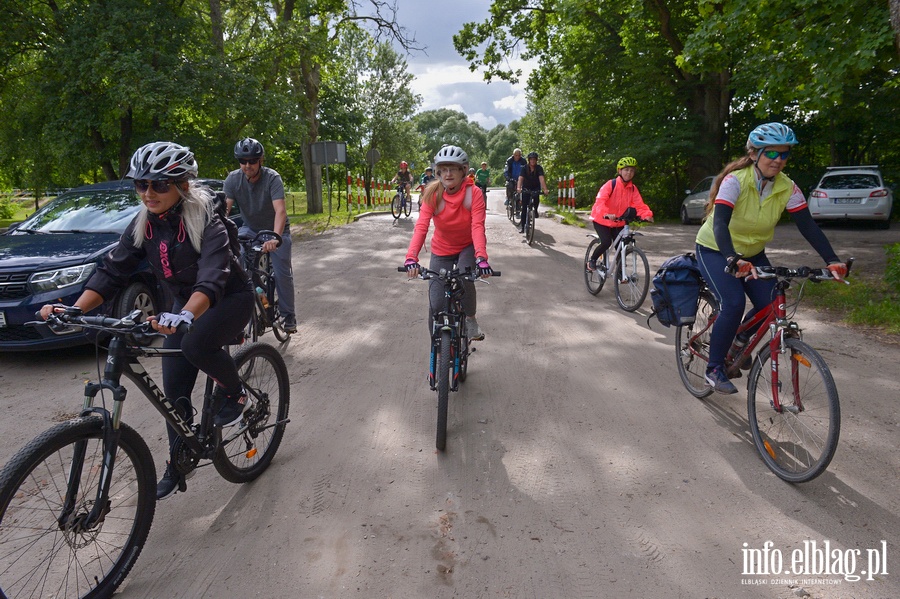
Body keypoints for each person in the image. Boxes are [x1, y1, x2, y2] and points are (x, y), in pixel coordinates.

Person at [39, 142, 254, 500]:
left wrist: (185, 313)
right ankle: (177, 461)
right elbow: (112, 270)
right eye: (140, 184)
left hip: (227, 299)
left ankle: (237, 392)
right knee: (174, 395)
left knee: (195, 343)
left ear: (183, 185)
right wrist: (76, 309)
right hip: (183, 308)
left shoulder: (207, 220)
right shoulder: (144, 225)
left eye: (158, 184)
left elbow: (213, 275)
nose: (147, 192)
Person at [695, 122, 847, 394]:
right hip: (716, 249)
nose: (778, 161)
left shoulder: (787, 187)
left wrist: (831, 260)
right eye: (772, 154)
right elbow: (720, 225)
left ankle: (740, 338)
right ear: (754, 154)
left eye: (784, 154)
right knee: (733, 302)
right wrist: (731, 258)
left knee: (770, 303)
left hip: (753, 253)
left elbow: (807, 225)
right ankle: (714, 368)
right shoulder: (735, 181)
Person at [404, 145, 492, 340]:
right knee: (435, 305)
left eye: (453, 168)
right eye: (444, 169)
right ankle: (436, 359)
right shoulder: (432, 194)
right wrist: (411, 258)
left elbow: (477, 227)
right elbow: (421, 227)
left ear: (463, 171)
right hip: (441, 249)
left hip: (466, 247)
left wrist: (481, 258)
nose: (448, 173)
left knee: (464, 277)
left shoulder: (474, 193)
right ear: (438, 172)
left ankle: (470, 320)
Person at [224, 137, 297, 333]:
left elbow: (280, 211)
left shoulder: (272, 178)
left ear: (260, 160)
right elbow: (225, 211)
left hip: (276, 230)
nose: (247, 165)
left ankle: (288, 314)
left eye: (252, 161)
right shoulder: (232, 179)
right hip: (250, 229)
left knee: (282, 273)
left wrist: (275, 237)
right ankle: (246, 306)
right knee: (236, 265)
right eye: (243, 161)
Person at [587, 156, 654, 272]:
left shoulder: (632, 189)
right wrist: (606, 213)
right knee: (606, 242)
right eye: (626, 169)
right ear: (619, 171)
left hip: (618, 222)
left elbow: (639, 205)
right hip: (602, 220)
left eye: (632, 170)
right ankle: (592, 260)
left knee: (622, 246)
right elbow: (600, 200)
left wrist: (646, 215)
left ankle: (619, 272)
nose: (629, 173)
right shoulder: (611, 184)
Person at [516, 151, 549, 233]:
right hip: (526, 188)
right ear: (529, 160)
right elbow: (520, 178)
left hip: (535, 187)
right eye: (531, 159)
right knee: (524, 207)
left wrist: (545, 189)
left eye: (534, 159)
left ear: (536, 160)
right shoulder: (524, 168)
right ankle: (523, 226)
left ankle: (535, 210)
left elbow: (541, 179)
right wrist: (518, 187)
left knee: (536, 199)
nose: (532, 161)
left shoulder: (539, 168)